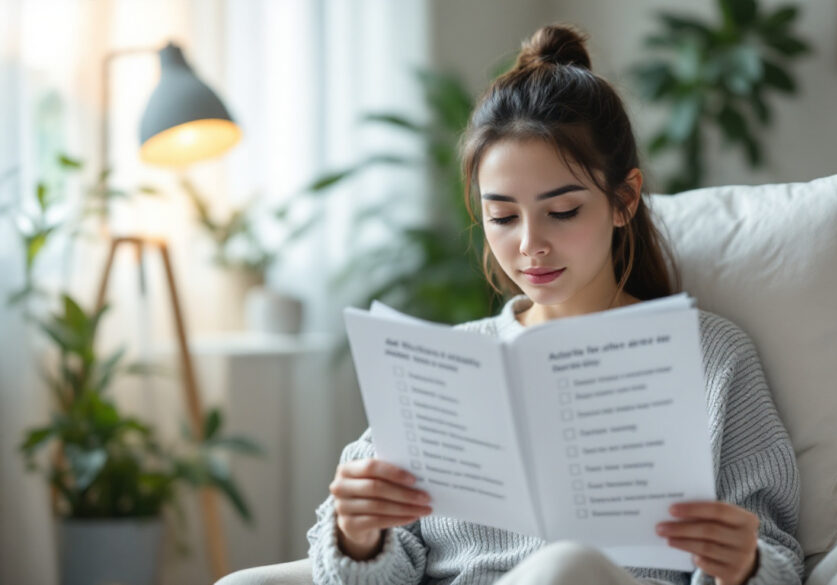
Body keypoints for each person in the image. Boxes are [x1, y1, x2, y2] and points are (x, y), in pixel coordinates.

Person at [307, 24, 803, 585]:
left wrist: (745, 563)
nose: (529, 244)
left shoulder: (710, 358)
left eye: (562, 211)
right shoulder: (445, 366)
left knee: (566, 568)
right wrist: (358, 536)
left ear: (624, 200)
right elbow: (361, 571)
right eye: (502, 216)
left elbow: (774, 557)